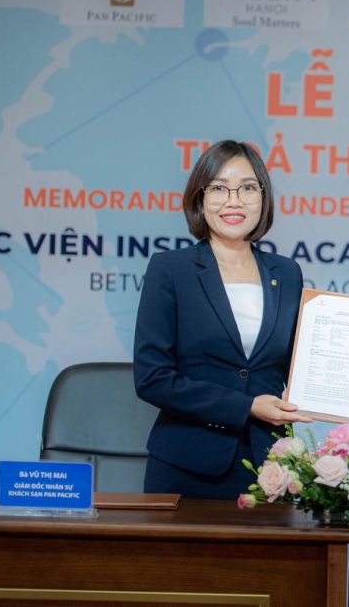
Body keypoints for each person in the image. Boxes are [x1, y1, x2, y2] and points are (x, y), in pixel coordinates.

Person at [133, 139, 313, 499]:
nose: (234, 201)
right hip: (187, 468)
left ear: (263, 197)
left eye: (247, 188)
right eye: (218, 188)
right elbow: (153, 378)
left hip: (271, 467)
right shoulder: (171, 269)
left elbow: (295, 368)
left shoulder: (286, 273)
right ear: (199, 198)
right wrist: (246, 406)